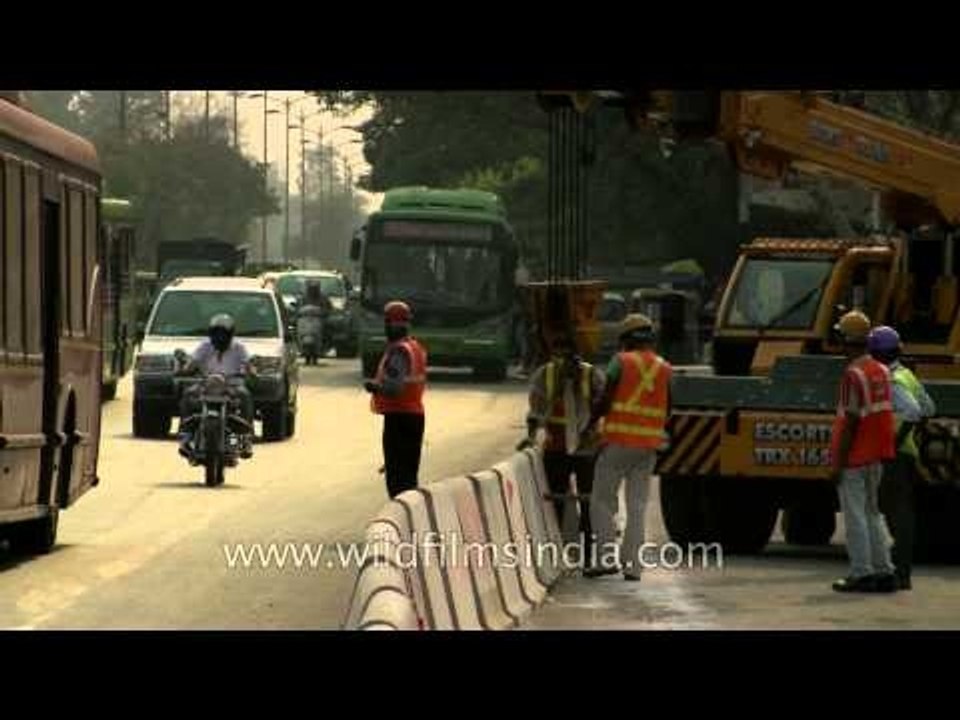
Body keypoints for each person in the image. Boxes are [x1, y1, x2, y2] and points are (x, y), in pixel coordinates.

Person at [583, 314, 672, 581]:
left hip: (619, 442)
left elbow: (605, 399)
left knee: (602, 500)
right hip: (648, 447)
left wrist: (589, 424)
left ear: (625, 339)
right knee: (637, 505)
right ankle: (633, 566)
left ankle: (605, 559)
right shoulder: (664, 367)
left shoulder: (620, 361)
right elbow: (669, 408)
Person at [518, 332, 605, 567]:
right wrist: (530, 436)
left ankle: (588, 554)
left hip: (584, 447)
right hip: (560, 447)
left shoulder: (590, 375)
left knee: (587, 502)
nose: (563, 361)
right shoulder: (547, 375)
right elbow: (536, 410)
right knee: (556, 501)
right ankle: (559, 554)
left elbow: (604, 404)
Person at [829, 310, 898, 593]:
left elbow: (850, 422)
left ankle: (861, 573)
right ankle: (885, 571)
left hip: (855, 457)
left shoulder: (852, 375)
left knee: (855, 515)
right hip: (876, 454)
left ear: (846, 341)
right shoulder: (882, 370)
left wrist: (838, 462)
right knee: (872, 512)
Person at [868, 324, 936, 591]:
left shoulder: (890, 379)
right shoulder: (907, 375)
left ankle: (898, 571)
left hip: (894, 456)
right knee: (901, 512)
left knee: (894, 514)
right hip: (907, 455)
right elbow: (929, 407)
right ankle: (902, 572)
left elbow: (913, 411)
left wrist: (894, 443)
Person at [363, 301, 428, 498]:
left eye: (386, 323)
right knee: (408, 475)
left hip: (400, 418)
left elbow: (394, 388)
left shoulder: (399, 351)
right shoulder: (415, 347)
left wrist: (374, 387)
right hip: (414, 416)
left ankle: (403, 515)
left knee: (398, 480)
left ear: (392, 324)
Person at [177, 314, 256, 458]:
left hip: (232, 385)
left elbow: (249, 365)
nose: (220, 338)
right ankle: (186, 437)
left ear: (230, 335)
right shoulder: (204, 346)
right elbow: (192, 363)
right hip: (206, 384)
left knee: (245, 396)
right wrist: (185, 368)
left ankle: (245, 439)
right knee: (188, 394)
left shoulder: (239, 348)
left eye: (223, 334)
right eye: (217, 334)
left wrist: (251, 371)